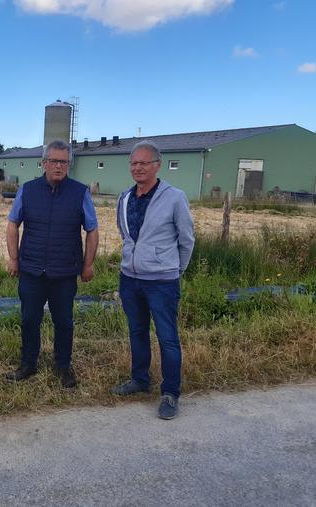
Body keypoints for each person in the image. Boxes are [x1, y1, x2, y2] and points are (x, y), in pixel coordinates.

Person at [111, 140, 195, 420]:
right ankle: (139, 379)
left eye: (144, 163)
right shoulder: (124, 198)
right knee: (136, 332)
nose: (138, 168)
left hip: (162, 282)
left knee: (167, 338)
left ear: (157, 165)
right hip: (130, 278)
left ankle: (170, 393)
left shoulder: (174, 197)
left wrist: (174, 269)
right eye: (134, 163)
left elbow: (187, 239)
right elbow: (126, 234)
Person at [4, 139, 99, 388]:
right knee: (29, 319)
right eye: (54, 161)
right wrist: (14, 259)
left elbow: (92, 229)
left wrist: (88, 264)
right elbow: (12, 224)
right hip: (31, 270)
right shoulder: (28, 190)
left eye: (64, 162)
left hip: (65, 272)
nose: (59, 166)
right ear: (44, 163)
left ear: (69, 164)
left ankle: (63, 366)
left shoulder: (80, 193)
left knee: (64, 321)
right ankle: (28, 364)